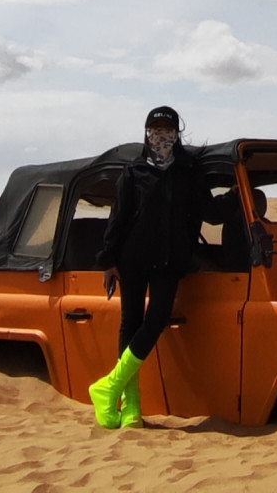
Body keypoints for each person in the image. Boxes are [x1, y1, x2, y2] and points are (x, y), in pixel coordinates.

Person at [88, 105, 213, 429]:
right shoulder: (134, 172)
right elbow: (118, 217)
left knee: (157, 318)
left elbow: (208, 209)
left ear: (176, 133)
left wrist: (242, 200)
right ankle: (131, 407)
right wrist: (108, 260)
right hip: (133, 258)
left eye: (167, 130)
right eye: (156, 130)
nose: (161, 136)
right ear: (147, 133)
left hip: (171, 259)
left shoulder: (188, 169)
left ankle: (109, 386)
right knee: (130, 323)